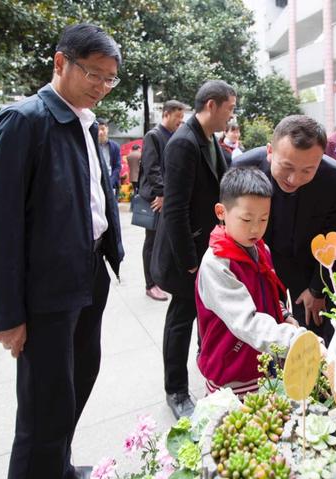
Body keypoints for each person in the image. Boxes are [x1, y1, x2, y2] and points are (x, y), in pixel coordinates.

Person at [0, 24, 124, 479]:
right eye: (93, 74)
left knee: (75, 385)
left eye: (110, 78)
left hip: (88, 273)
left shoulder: (84, 121)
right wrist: (4, 313)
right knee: (43, 408)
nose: (101, 87)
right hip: (47, 290)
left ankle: (56, 467)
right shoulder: (25, 120)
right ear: (60, 63)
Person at [150, 79, 236, 419]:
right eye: (229, 108)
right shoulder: (183, 143)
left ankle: (209, 373)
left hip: (205, 249)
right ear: (211, 106)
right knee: (181, 320)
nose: (231, 116)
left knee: (206, 316)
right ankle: (176, 390)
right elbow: (174, 209)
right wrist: (188, 261)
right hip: (184, 254)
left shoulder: (208, 138)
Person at [234, 115, 336, 343]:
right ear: (270, 151)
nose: (294, 178)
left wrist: (317, 289)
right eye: (286, 166)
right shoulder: (244, 167)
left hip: (306, 273)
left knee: (309, 341)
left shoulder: (335, 178)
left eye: (307, 170)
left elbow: (335, 238)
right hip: (257, 267)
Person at [196, 167, 305, 396]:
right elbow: (246, 321)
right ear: (221, 212)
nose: (256, 228)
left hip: (261, 362)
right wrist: (297, 339)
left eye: (264, 219)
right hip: (232, 371)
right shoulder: (217, 263)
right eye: (246, 219)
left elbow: (270, 292)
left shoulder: (259, 248)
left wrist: (285, 316)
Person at [138, 99, 187, 301]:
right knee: (151, 241)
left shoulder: (173, 136)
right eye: (178, 117)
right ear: (166, 114)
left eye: (182, 118)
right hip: (155, 198)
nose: (180, 121)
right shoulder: (154, 136)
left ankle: (160, 279)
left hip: (165, 197)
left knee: (162, 240)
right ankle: (151, 284)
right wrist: (163, 194)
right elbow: (152, 167)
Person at [97, 118, 122, 197]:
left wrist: (110, 183)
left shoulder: (115, 146)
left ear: (107, 129)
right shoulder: (91, 146)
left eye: (103, 129)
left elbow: (117, 167)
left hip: (111, 183)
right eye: (98, 130)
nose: (100, 132)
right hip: (96, 184)